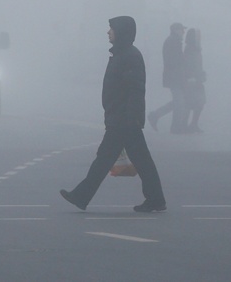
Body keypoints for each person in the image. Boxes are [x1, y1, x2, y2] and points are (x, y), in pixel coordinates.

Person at [60, 16, 166, 213]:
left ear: (122, 32)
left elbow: (135, 90)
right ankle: (156, 199)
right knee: (138, 161)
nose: (108, 32)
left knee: (105, 159)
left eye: (111, 29)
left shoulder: (129, 56)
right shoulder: (123, 54)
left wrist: (130, 118)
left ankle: (81, 195)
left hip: (124, 120)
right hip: (122, 118)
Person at [148, 22, 187, 134]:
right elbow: (175, 62)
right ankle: (175, 127)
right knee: (179, 102)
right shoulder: (173, 42)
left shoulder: (173, 41)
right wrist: (181, 76)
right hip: (175, 77)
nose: (183, 32)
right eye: (181, 29)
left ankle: (155, 115)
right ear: (175, 30)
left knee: (177, 102)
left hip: (174, 77)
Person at [183, 28, 206, 133]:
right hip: (192, 80)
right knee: (192, 102)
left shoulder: (195, 48)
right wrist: (192, 76)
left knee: (199, 102)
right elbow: (189, 64)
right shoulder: (190, 49)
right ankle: (188, 125)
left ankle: (193, 124)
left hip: (197, 79)